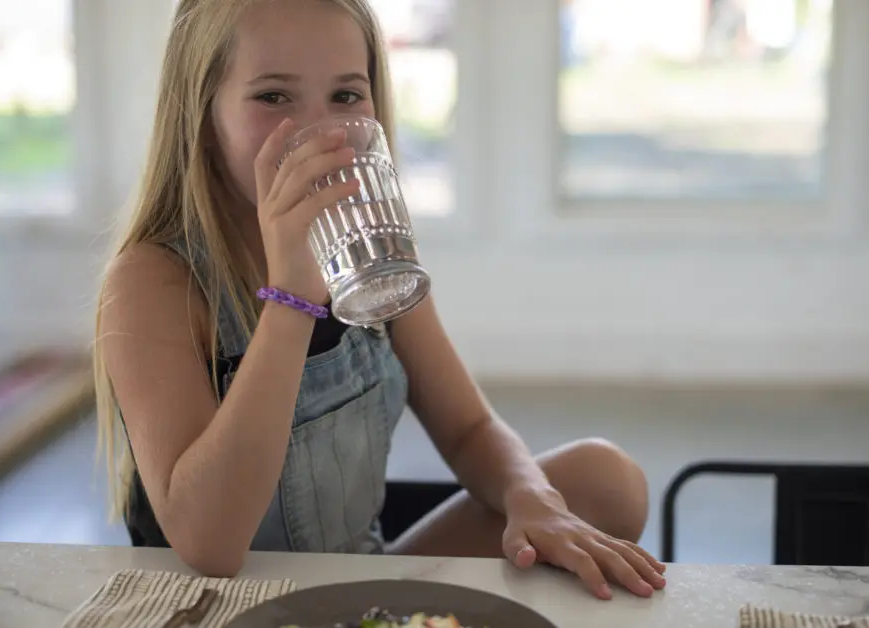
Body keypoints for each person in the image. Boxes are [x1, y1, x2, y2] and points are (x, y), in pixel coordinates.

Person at [93, 0, 666, 601]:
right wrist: (291, 297)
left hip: (355, 587)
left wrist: (534, 499)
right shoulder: (152, 282)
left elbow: (469, 428)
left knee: (607, 482)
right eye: (273, 97)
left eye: (345, 96)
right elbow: (209, 542)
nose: (322, 132)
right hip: (218, 604)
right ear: (202, 116)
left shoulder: (369, 246)